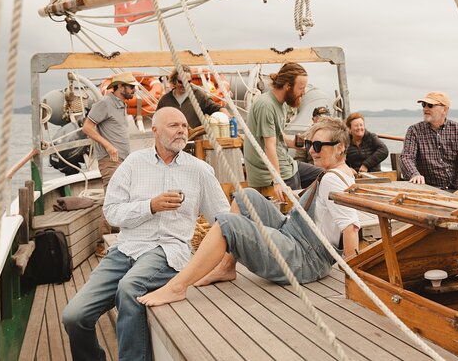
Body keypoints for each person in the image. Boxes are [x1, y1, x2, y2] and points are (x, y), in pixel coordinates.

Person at [63, 107, 230, 361]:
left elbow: (223, 219)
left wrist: (228, 260)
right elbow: (111, 212)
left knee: (129, 289)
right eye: (174, 126)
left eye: (184, 126)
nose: (182, 131)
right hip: (126, 248)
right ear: (155, 131)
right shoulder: (132, 163)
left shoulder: (199, 170)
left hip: (167, 250)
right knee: (74, 316)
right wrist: (150, 206)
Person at [137, 117, 360, 307]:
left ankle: (177, 287)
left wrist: (354, 282)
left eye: (319, 145)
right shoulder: (341, 172)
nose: (312, 150)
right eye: (310, 144)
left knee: (227, 223)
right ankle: (227, 266)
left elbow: (350, 228)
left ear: (340, 147)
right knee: (247, 196)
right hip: (295, 233)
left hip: (304, 257)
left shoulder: (333, 180)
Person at [244, 62, 324, 201]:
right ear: (288, 86)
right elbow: (269, 146)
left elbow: (279, 137)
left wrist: (299, 143)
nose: (304, 93)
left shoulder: (281, 104)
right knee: (298, 209)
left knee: (325, 175)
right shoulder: (266, 106)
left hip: (286, 163)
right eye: (301, 88)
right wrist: (278, 181)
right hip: (270, 173)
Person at [82, 71, 138, 254]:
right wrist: (108, 146)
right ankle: (101, 244)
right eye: (130, 86)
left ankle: (117, 241)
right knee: (113, 199)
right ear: (120, 86)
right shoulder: (105, 103)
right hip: (110, 160)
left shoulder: (120, 105)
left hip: (122, 160)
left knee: (123, 198)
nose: (133, 90)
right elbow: (87, 127)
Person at [400, 91, 458, 191]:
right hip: (428, 188)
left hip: (454, 189)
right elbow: (406, 157)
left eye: (430, 105)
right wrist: (414, 175)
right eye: (423, 105)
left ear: (445, 109)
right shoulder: (414, 130)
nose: (425, 108)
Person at [156, 64, 229, 129]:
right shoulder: (165, 100)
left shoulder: (199, 95)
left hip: (195, 141)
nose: (185, 85)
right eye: (181, 82)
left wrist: (224, 112)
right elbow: (157, 120)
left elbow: (214, 107)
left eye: (188, 82)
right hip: (173, 141)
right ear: (174, 81)